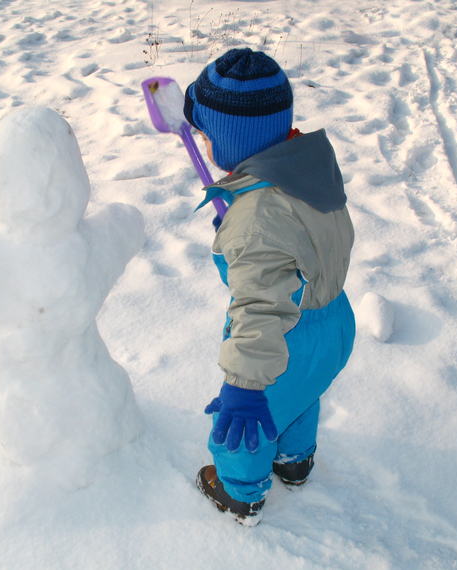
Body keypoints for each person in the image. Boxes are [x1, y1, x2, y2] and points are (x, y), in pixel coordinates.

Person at [184, 48, 356, 526]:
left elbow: (260, 308)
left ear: (232, 141)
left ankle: (241, 492)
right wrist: (244, 197)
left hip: (284, 337)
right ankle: (295, 462)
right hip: (334, 320)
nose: (200, 139)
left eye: (206, 133)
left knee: (245, 423)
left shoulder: (255, 220)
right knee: (302, 395)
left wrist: (243, 385)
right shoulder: (307, 168)